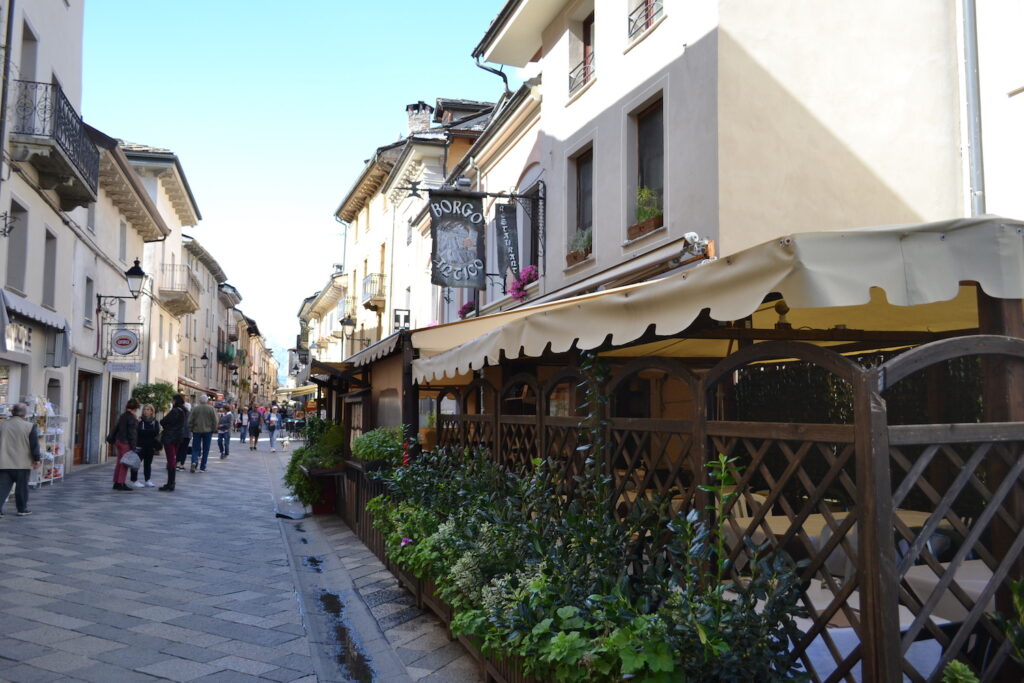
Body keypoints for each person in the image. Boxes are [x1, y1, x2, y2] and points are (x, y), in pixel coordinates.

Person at [0, 403, 42, 516]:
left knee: (2, 488)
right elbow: (34, 445)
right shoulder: (29, 426)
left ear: (12, 412)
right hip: (22, 463)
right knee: (21, 488)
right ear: (24, 413)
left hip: (3, 462)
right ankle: (22, 509)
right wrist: (37, 459)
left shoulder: (2, 425)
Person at [159, 394, 187, 491]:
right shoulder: (184, 411)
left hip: (170, 438)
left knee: (171, 460)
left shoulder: (175, 411)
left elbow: (163, 421)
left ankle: (170, 483)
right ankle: (171, 482)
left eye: (172, 400)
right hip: (178, 438)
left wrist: (167, 426)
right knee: (173, 459)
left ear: (175, 401)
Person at [111, 398, 140, 491]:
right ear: (135, 408)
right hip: (126, 443)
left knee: (119, 462)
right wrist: (133, 446)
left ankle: (116, 482)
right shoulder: (131, 417)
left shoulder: (123, 415)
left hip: (119, 441)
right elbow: (132, 433)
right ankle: (121, 483)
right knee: (125, 464)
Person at [130, 404, 161, 488]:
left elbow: (156, 432)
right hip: (139, 445)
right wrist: (148, 432)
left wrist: (145, 432)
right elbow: (137, 431)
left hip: (150, 446)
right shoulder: (139, 420)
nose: (145, 411)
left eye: (148, 409)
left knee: (148, 464)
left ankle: (147, 480)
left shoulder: (155, 422)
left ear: (151, 411)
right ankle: (134, 480)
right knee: (136, 463)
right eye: (144, 409)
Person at [188, 394, 217, 473]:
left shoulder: (195, 408)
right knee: (206, 449)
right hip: (208, 431)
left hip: (197, 431)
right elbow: (215, 420)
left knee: (195, 448)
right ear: (207, 400)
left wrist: (191, 428)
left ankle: (194, 461)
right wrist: (214, 429)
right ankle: (202, 467)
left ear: (199, 400)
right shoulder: (211, 409)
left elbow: (190, 420)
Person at [176, 401, 192, 471]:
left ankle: (177, 464)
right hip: (187, 434)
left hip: (179, 434)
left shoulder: (179, 413)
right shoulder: (190, 414)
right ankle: (182, 465)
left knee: (179, 449)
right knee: (184, 450)